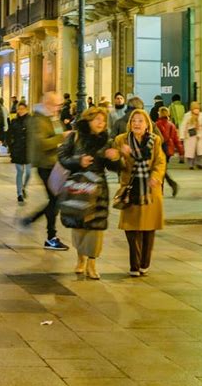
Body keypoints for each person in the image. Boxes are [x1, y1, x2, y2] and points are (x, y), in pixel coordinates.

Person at [58, 107, 121, 279]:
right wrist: (79, 161)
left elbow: (115, 167)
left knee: (96, 228)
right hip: (78, 185)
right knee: (78, 225)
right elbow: (62, 157)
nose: (101, 123)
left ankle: (92, 263)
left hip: (98, 188)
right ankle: (80, 258)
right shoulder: (75, 137)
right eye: (97, 120)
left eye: (103, 120)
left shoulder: (107, 140)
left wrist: (115, 158)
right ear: (88, 120)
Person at [113, 109, 166, 277]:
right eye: (134, 120)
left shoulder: (155, 140)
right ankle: (134, 265)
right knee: (132, 228)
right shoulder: (121, 140)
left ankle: (145, 264)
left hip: (150, 191)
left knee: (149, 229)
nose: (137, 123)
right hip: (131, 189)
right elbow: (116, 164)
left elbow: (160, 161)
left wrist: (156, 177)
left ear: (147, 124)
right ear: (129, 123)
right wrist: (120, 156)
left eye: (140, 121)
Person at [22, 92, 69, 251]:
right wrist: (62, 137)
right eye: (57, 105)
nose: (59, 108)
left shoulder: (52, 117)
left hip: (56, 165)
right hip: (45, 165)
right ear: (48, 104)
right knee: (55, 200)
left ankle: (35, 221)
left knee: (56, 200)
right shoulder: (38, 119)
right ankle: (50, 237)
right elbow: (42, 143)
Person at [7, 101, 30, 203]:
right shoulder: (14, 122)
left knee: (28, 173)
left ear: (26, 109)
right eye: (19, 109)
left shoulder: (31, 121)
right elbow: (9, 135)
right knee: (20, 171)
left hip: (29, 150)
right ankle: (19, 193)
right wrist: (10, 146)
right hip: (17, 149)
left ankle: (23, 187)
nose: (20, 111)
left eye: (22, 109)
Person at [156, 106, 182, 196]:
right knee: (163, 169)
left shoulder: (158, 124)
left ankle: (167, 187)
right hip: (169, 150)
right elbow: (176, 139)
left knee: (161, 170)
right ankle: (170, 186)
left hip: (161, 149)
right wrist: (181, 151)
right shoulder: (171, 125)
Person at [179, 101, 202, 169]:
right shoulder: (187, 115)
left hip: (199, 135)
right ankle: (190, 164)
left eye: (198, 108)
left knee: (200, 151)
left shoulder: (201, 115)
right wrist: (182, 136)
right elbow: (183, 125)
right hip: (190, 135)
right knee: (190, 151)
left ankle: (199, 163)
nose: (197, 110)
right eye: (195, 108)